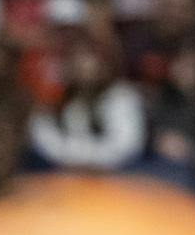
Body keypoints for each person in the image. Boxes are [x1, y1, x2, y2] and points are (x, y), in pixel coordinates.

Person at [27, 39, 146, 173]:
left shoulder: (121, 96)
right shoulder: (63, 98)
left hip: (118, 176)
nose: (81, 65)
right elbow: (45, 137)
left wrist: (84, 160)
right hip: (66, 176)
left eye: (87, 58)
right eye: (75, 59)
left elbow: (125, 148)